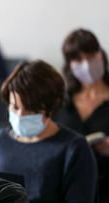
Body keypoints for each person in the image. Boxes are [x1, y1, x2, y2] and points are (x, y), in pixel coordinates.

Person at [0, 60, 98, 202]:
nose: (20, 115)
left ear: (50, 108)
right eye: (14, 107)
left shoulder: (74, 149)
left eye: (29, 109)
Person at [55, 28, 109, 202]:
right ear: (69, 65)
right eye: (78, 59)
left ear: (101, 54)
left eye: (91, 55)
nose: (86, 64)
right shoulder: (60, 102)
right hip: (68, 189)